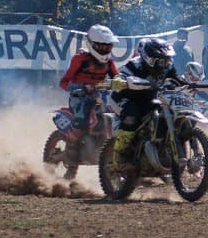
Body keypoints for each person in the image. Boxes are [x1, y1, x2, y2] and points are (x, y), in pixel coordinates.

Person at [110, 37, 180, 172]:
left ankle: (161, 147)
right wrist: (126, 81)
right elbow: (120, 78)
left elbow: (177, 79)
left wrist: (189, 84)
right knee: (132, 115)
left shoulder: (168, 67)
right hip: (126, 99)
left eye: (167, 59)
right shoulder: (134, 65)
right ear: (148, 58)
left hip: (150, 99)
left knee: (168, 112)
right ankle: (120, 155)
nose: (164, 63)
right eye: (161, 60)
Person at [58, 25, 120, 158]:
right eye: (101, 46)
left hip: (101, 97)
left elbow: (117, 78)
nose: (105, 49)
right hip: (80, 97)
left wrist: (125, 84)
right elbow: (64, 82)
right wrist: (78, 87)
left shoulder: (109, 62)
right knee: (82, 121)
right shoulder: (80, 59)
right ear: (92, 44)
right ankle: (72, 152)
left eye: (108, 46)